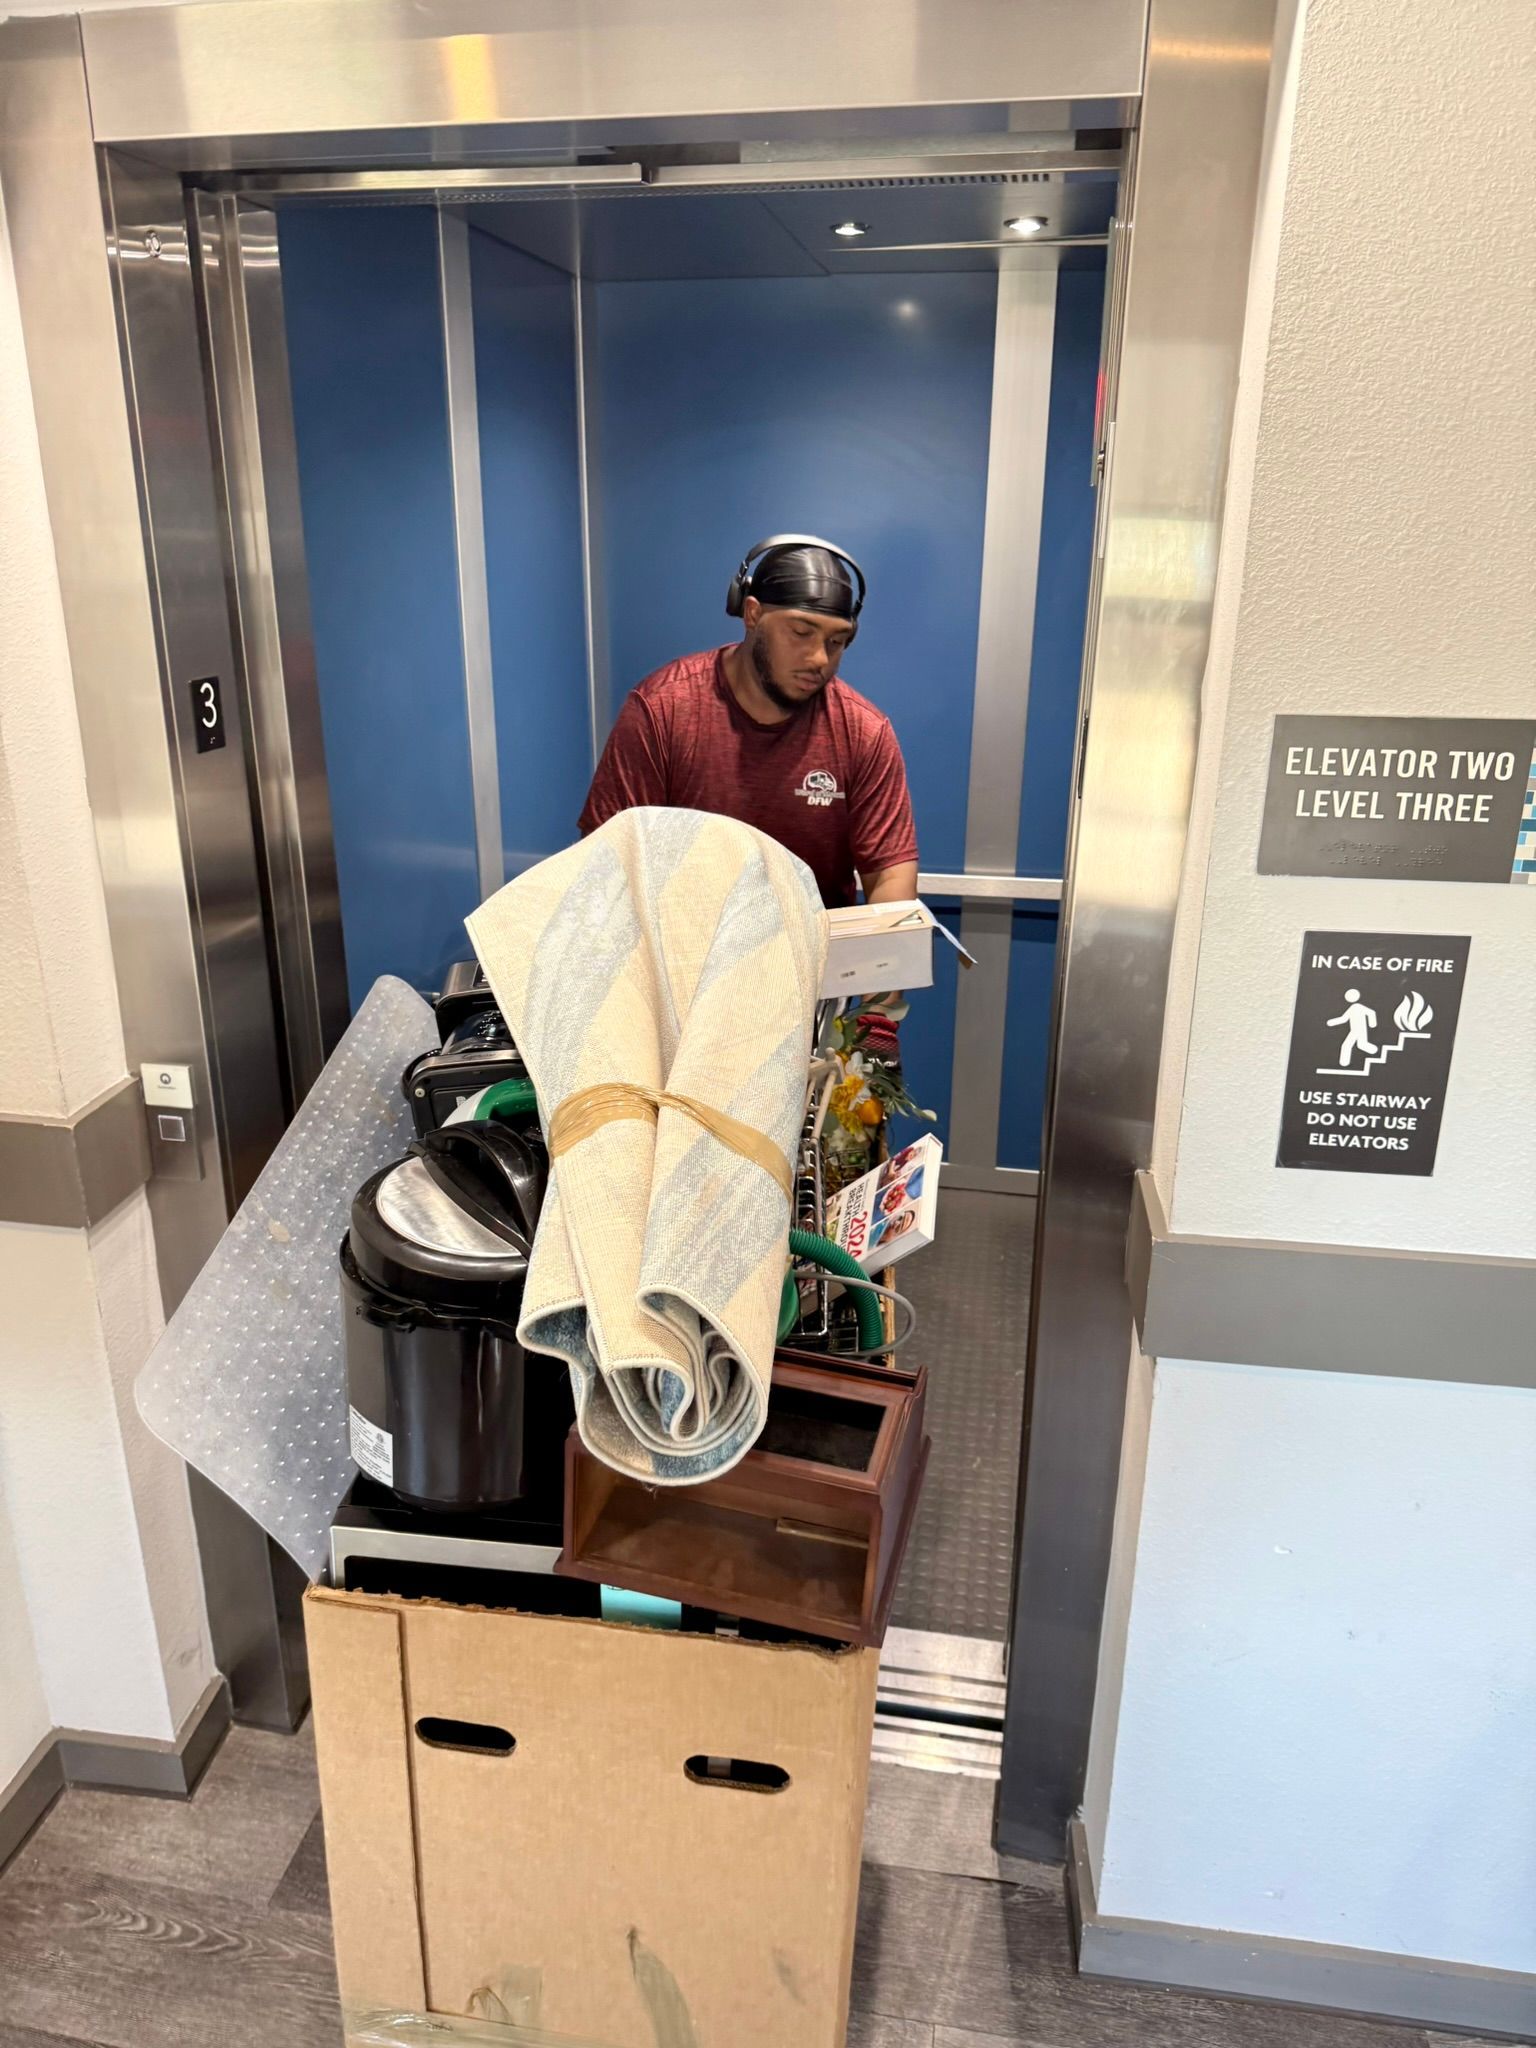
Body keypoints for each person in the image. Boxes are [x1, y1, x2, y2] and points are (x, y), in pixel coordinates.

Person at [579, 536, 919, 913]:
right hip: (684, 958)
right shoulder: (663, 711)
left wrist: (883, 956)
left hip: (811, 960)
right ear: (752, 614)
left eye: (836, 641)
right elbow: (606, 861)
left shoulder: (863, 732)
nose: (819, 658)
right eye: (801, 632)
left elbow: (891, 878)